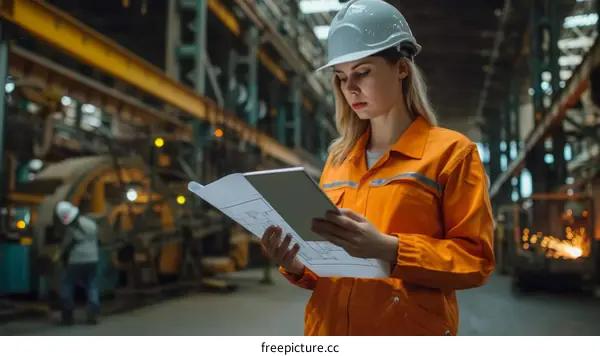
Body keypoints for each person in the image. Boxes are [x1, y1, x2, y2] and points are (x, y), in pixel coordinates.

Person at [260, 0, 495, 336]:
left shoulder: (452, 154)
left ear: (401, 68)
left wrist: (388, 248)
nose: (350, 88)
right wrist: (295, 264)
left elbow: (476, 261)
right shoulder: (339, 160)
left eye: (363, 72)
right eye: (341, 78)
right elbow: (326, 270)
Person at [53, 201, 101, 325]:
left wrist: (57, 255)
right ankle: (92, 314)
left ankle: (67, 314)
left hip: (76, 260)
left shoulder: (71, 229)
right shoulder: (91, 223)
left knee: (68, 284)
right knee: (91, 285)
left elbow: (65, 245)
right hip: (93, 258)